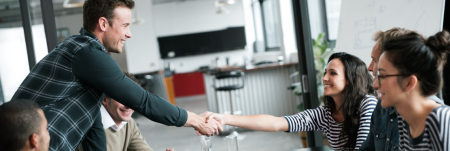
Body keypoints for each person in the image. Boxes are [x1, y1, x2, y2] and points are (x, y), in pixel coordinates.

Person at [11, 0, 221, 150]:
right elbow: (142, 100)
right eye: (125, 26)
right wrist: (194, 120)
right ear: (103, 24)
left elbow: (92, 125)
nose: (129, 33)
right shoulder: (85, 51)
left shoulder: (84, 54)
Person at [204, 52, 377, 150]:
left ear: (350, 79)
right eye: (325, 72)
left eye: (333, 73)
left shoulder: (367, 104)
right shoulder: (325, 114)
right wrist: (225, 119)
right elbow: (276, 123)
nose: (324, 78)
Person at [359, 28, 443, 151]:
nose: (370, 68)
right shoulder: (386, 107)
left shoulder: (438, 121)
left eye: (382, 74)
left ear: (409, 81)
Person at [76, 72, 166, 151]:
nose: (128, 105)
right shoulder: (88, 126)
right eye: (122, 99)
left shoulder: (129, 124)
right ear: (105, 99)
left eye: (132, 99)